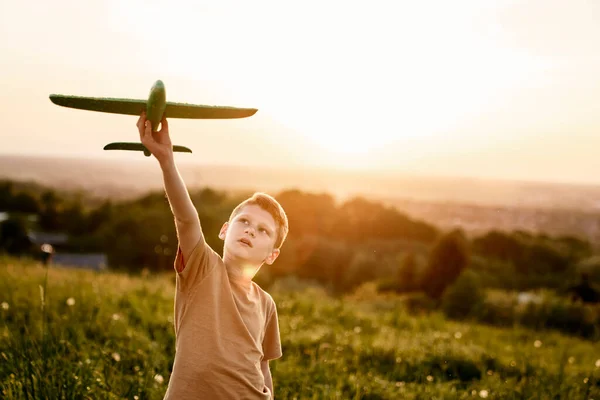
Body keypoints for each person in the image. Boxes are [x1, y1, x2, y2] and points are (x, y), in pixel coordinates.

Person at [136, 113, 288, 399]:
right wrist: (167, 161)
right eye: (244, 222)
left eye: (263, 230)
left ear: (272, 255)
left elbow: (263, 366)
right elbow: (186, 219)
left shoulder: (266, 304)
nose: (251, 231)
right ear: (224, 231)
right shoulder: (202, 267)